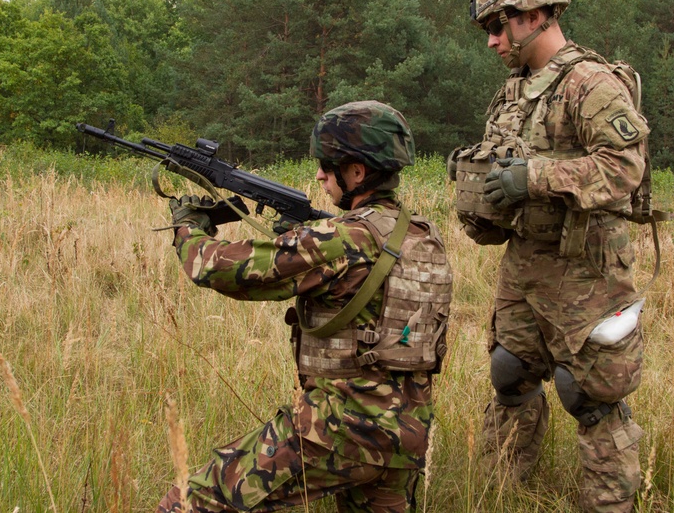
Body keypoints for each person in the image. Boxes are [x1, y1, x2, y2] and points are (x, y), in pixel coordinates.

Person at [156, 100, 452, 513]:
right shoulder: (425, 235)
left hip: (341, 425)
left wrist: (187, 225)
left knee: (192, 500)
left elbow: (215, 268)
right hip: (407, 429)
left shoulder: (341, 238)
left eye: (327, 165)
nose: (318, 175)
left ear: (357, 171)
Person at [452, 0, 648, 513]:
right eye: (488, 29)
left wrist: (534, 178)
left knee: (589, 396)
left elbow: (624, 168)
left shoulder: (591, 83)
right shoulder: (514, 89)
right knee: (509, 372)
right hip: (525, 263)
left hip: (585, 267)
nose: (492, 41)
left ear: (535, 15)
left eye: (499, 26)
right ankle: (501, 494)